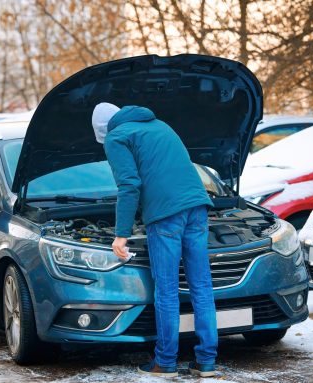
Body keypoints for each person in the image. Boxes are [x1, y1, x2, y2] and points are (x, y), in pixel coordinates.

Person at [91, 102, 218, 378]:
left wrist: (121, 234)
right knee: (201, 286)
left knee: (168, 290)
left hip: (166, 215)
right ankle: (207, 361)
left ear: (102, 130)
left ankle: (166, 362)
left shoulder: (116, 136)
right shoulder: (159, 124)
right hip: (197, 208)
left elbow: (129, 184)